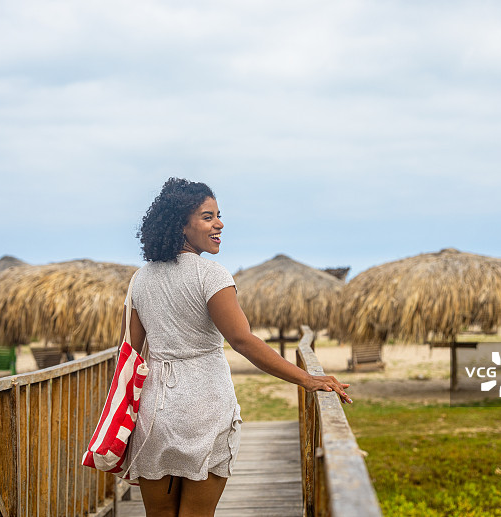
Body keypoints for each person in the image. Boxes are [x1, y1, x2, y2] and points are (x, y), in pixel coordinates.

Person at [120, 177, 351, 517]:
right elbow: (243, 340)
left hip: (155, 412)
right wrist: (307, 379)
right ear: (181, 225)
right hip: (203, 407)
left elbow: (128, 351)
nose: (219, 224)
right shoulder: (211, 275)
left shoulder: (141, 278)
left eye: (218, 215)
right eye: (208, 216)